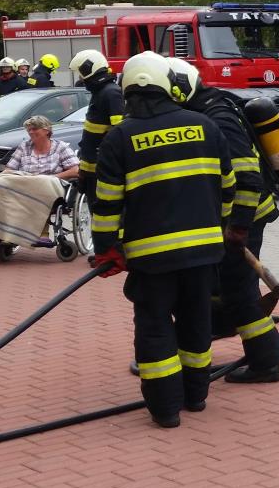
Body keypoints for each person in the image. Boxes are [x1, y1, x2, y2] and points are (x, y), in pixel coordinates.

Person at [91, 51, 234, 429]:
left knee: (155, 328)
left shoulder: (119, 138)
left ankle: (165, 409)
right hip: (204, 254)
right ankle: (196, 397)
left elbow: (106, 205)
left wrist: (106, 249)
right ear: (168, 87)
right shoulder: (205, 126)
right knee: (196, 322)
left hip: (151, 259)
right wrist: (216, 230)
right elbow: (228, 189)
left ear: (126, 92)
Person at [169, 57, 279, 384]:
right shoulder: (207, 109)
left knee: (237, 288)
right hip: (231, 218)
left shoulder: (218, 117)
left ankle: (267, 361)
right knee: (227, 287)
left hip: (244, 216)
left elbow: (248, 177)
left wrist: (238, 229)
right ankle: (208, 350)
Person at [70, 49, 124, 208]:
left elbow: (118, 131)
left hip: (102, 169)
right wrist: (84, 173)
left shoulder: (111, 93)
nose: (80, 78)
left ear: (89, 70)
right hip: (91, 167)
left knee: (104, 213)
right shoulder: (100, 92)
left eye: (81, 73)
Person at [3, 116, 80, 181]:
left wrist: (49, 178)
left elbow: (75, 171)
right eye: (29, 130)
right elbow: (9, 170)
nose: (31, 132)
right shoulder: (24, 146)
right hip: (26, 185)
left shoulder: (61, 147)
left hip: (51, 185)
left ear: (46, 131)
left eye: (34, 129)